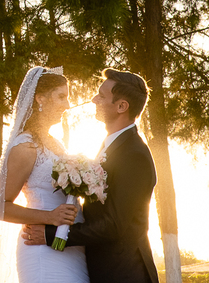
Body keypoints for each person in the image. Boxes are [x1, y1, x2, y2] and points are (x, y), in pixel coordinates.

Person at [21, 68, 161, 283]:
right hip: (99, 269)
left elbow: (113, 224)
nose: (94, 99)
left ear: (122, 106)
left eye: (102, 96)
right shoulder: (111, 146)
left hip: (124, 274)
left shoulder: (134, 154)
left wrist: (53, 237)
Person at [0, 66, 88, 283]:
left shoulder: (57, 145)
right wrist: (49, 217)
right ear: (40, 98)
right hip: (41, 249)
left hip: (71, 248)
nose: (67, 105)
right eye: (61, 97)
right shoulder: (25, 146)